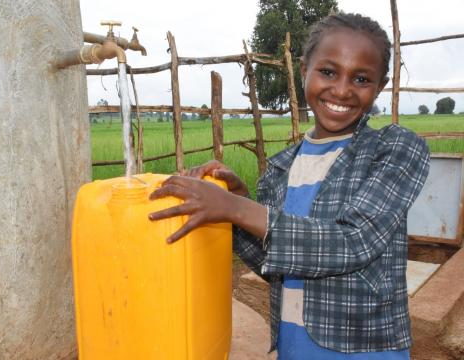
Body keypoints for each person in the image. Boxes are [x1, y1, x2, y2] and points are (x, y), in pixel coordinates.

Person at [149, 12, 430, 359]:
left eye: (360, 78)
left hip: (366, 350)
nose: (341, 89)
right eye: (328, 71)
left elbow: (354, 242)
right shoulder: (281, 167)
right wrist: (237, 206)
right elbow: (277, 263)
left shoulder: (395, 148)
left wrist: (239, 209)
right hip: (295, 347)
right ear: (303, 70)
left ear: (380, 86)